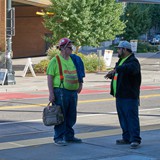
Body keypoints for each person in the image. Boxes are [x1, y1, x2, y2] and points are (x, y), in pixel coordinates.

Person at [47, 37, 85, 146]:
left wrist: (80, 84)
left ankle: (69, 136)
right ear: (63, 48)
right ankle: (58, 137)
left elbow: (78, 73)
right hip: (61, 91)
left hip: (72, 92)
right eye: (69, 47)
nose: (71, 49)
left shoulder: (73, 60)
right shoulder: (55, 60)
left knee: (71, 115)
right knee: (61, 115)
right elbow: (50, 77)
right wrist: (51, 93)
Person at [105, 41, 142, 149]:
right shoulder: (121, 61)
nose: (118, 51)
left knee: (131, 118)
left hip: (129, 96)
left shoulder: (133, 61)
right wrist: (112, 74)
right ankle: (126, 137)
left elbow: (131, 69)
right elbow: (120, 74)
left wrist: (117, 69)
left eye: (119, 49)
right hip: (120, 95)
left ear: (125, 49)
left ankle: (135, 139)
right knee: (123, 118)